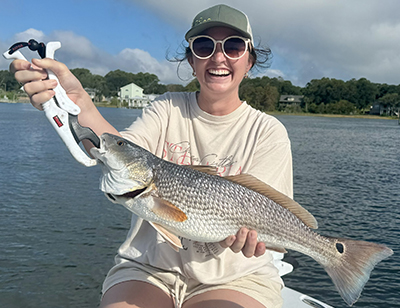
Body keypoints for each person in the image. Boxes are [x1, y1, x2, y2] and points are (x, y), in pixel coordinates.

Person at [10, 4, 293, 308]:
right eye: (203, 46)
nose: (218, 57)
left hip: (236, 277)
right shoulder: (166, 107)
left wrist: (248, 236)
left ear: (249, 61)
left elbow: (267, 211)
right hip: (149, 268)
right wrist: (77, 103)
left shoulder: (268, 131)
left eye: (234, 46)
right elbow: (120, 148)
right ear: (191, 60)